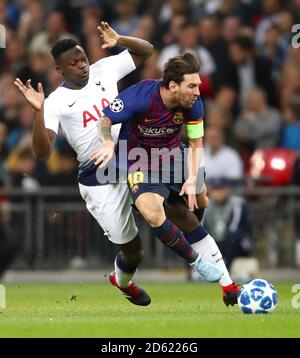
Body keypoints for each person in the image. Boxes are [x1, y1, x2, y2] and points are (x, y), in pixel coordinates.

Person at [14, 22, 154, 306]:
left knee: (164, 203)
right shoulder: (55, 103)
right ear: (59, 70)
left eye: (83, 59)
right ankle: (122, 281)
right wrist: (39, 113)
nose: (82, 66)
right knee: (133, 252)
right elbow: (42, 154)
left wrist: (119, 39)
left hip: (129, 156)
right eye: (74, 63)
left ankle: (203, 257)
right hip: (97, 177)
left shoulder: (104, 69)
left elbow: (147, 51)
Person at [92, 52, 240, 306]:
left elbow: (195, 141)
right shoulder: (140, 96)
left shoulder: (194, 103)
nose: (197, 91)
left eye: (198, 85)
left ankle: (227, 285)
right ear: (173, 85)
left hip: (173, 157)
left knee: (200, 200)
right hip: (139, 161)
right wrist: (107, 141)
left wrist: (193, 178)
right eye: (192, 85)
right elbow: (104, 120)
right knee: (151, 211)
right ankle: (196, 261)